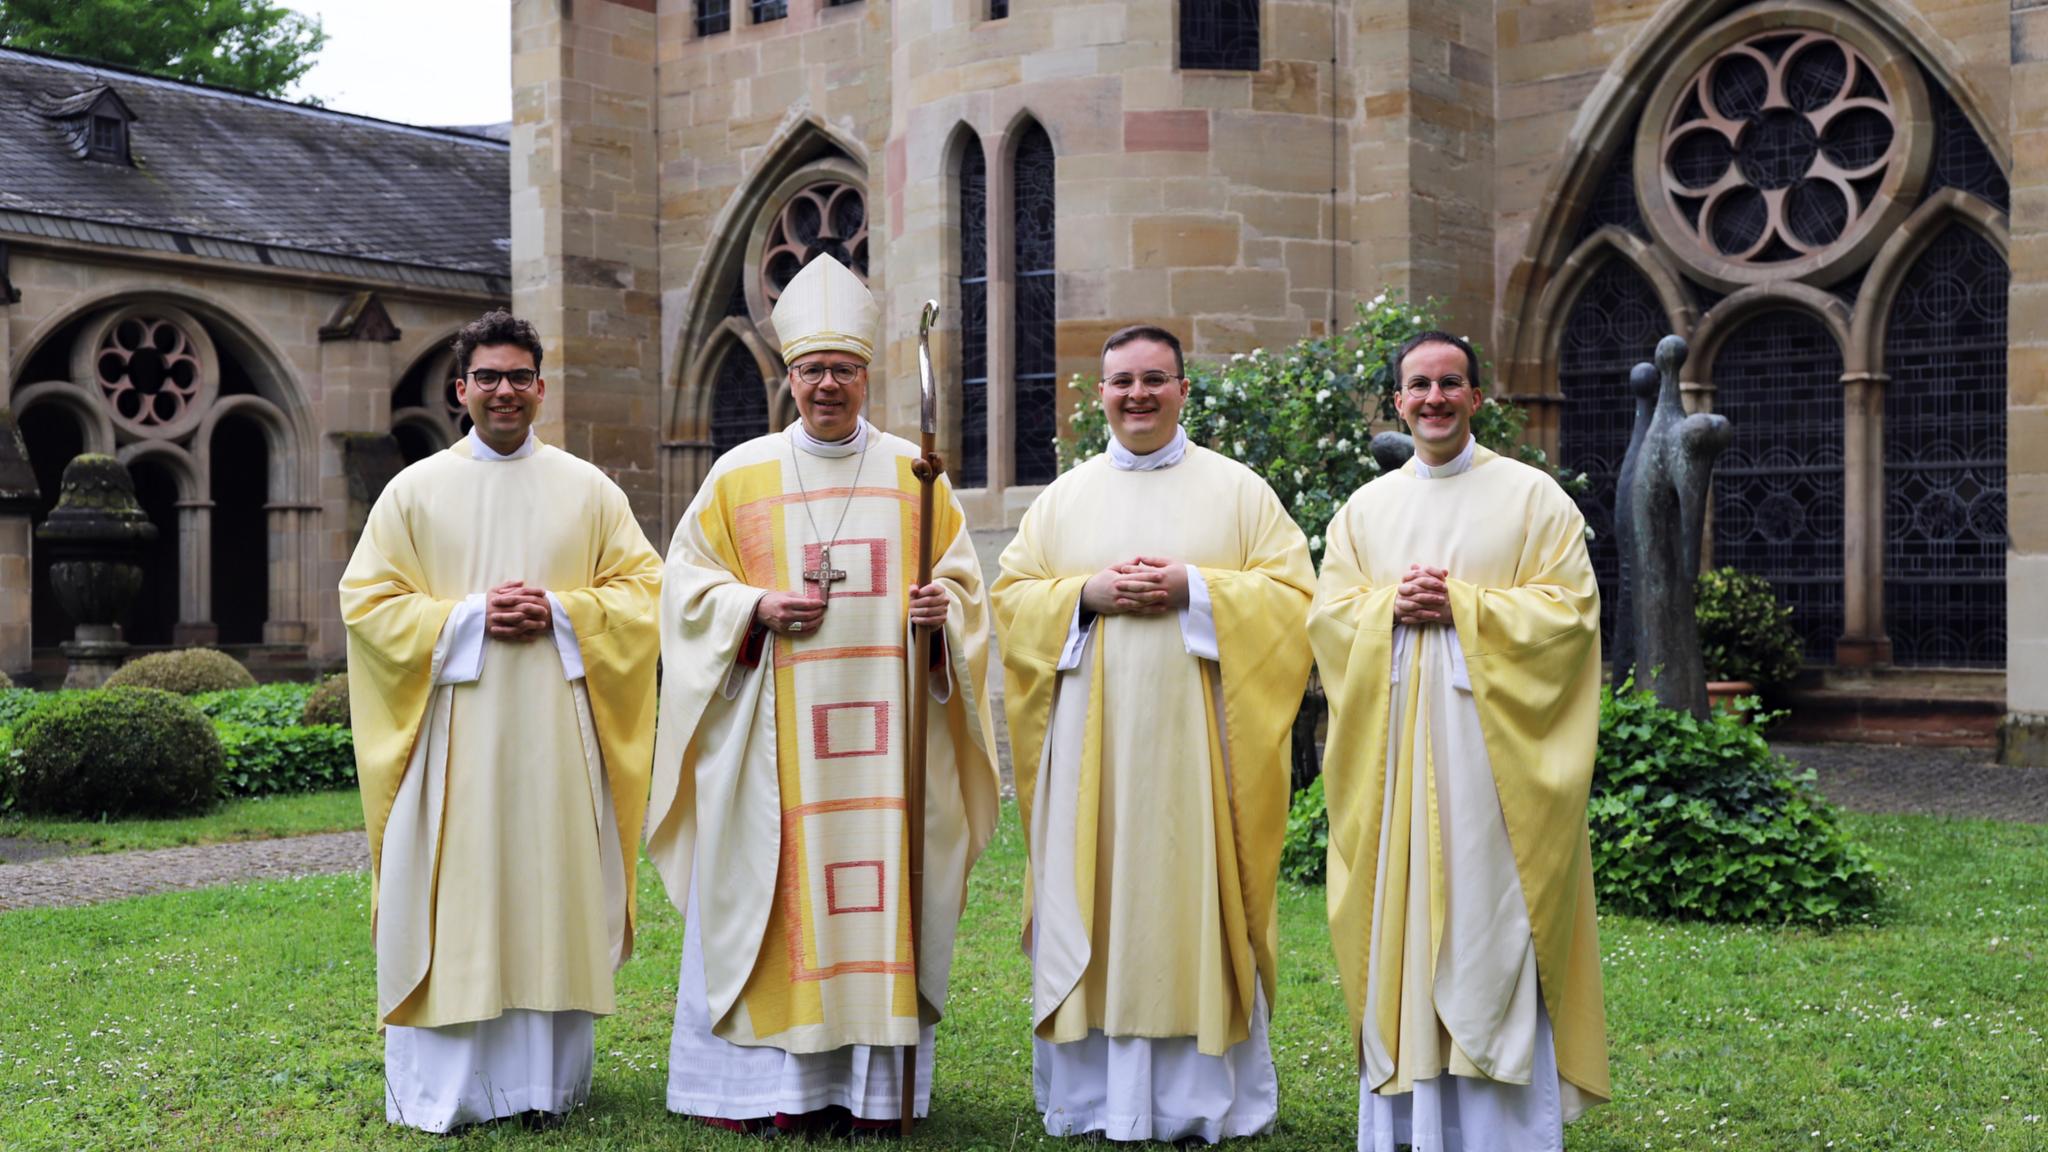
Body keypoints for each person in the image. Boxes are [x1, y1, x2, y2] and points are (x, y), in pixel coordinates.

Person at [644, 253, 1000, 1132]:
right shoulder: (739, 474)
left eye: (842, 369)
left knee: (877, 892)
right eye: (811, 370)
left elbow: (965, 589)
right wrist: (754, 605)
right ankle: (769, 1094)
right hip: (773, 743)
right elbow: (684, 588)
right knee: (775, 895)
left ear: (866, 376)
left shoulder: (917, 476)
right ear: (790, 377)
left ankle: (873, 1094)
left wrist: (939, 612)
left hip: (887, 750)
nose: (826, 385)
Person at [340, 310, 663, 1132]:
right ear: (461, 390)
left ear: (541, 388)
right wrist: (469, 618)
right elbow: (367, 605)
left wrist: (559, 611)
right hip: (453, 740)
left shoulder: (589, 490)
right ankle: (449, 1090)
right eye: (487, 377)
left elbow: (644, 593)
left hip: (560, 741)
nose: (504, 391)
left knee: (548, 889)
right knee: (460, 893)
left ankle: (542, 1088)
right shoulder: (413, 491)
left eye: (520, 376)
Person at [991, 325, 1315, 1142]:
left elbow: (1292, 598)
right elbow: (1012, 597)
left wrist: (1196, 589)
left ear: (1182, 391)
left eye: (1155, 380)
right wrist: (1085, 595)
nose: (1138, 394)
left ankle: (1200, 1101)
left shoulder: (1240, 492)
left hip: (1199, 757)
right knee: (1093, 901)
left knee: (1192, 901)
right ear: (1098, 394)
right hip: (1088, 760)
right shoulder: (1064, 499)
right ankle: (1094, 1098)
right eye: (1121, 382)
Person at [1308, 331, 1610, 1152]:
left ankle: (1504, 1130)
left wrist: (1466, 608)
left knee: (1495, 921)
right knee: (1399, 923)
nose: (1434, 399)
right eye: (1418, 386)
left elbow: (1572, 615)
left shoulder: (1533, 498)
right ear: (1397, 403)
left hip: (1494, 764)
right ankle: (1410, 1123)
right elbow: (1327, 620)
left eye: (1450, 384)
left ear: (1478, 398)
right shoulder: (1363, 513)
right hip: (1396, 763)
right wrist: (1386, 611)